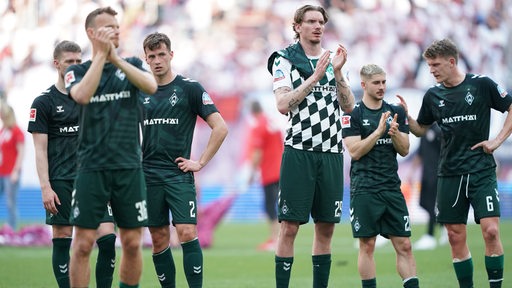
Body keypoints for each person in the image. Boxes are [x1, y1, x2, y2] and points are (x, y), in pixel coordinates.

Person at [398, 38, 511, 288]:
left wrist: (497, 140)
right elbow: (420, 129)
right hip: (449, 173)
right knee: (454, 236)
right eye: (429, 66)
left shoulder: (481, 84)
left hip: (481, 170)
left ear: (451, 62)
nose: (431, 70)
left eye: (435, 65)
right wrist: (407, 118)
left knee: (491, 231)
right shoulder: (433, 95)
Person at [64, 7, 157, 288]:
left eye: (117, 26)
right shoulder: (76, 70)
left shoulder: (131, 64)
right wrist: (102, 56)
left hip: (129, 167)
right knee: (82, 244)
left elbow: (151, 86)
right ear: (91, 33)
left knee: (131, 242)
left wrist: (114, 58)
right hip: (91, 168)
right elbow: (81, 95)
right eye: (108, 27)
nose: (116, 30)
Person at [266, 4, 355, 287]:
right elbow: (282, 104)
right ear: (298, 27)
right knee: (289, 227)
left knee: (326, 228)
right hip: (299, 151)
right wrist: (315, 77)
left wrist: (337, 74)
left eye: (321, 22)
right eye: (311, 22)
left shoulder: (334, 61)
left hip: (331, 153)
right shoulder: (284, 59)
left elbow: (349, 106)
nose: (318, 26)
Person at [140, 32, 228, 288]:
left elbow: (220, 127)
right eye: (152, 56)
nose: (157, 60)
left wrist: (199, 162)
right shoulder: (141, 91)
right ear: (146, 59)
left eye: (161, 55)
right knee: (158, 239)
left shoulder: (189, 88)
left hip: (178, 175)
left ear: (171, 55)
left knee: (188, 233)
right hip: (148, 176)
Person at [28, 40, 117, 288]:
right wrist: (46, 187)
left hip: (93, 180)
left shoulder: (92, 98)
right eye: (70, 61)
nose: (76, 66)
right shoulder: (43, 102)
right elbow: (40, 149)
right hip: (61, 181)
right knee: (63, 236)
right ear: (57, 64)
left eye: (79, 61)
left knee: (108, 239)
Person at [342, 64, 419, 288]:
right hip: (364, 189)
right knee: (367, 245)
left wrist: (394, 134)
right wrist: (377, 132)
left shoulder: (397, 110)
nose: (382, 86)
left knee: (404, 244)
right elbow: (355, 151)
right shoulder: (352, 114)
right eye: (376, 82)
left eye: (384, 82)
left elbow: (404, 149)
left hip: (391, 189)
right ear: (364, 84)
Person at [246, 100, 283, 252]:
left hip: (270, 171)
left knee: (270, 206)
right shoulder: (272, 122)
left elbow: (257, 152)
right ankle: (278, 239)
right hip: (281, 169)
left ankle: (275, 240)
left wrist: (251, 173)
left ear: (252, 112)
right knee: (278, 205)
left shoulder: (259, 125)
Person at [409, 123, 447, 250]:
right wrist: (412, 171)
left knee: (432, 205)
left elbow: (444, 151)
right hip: (425, 174)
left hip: (437, 173)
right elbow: (420, 153)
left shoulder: (438, 130)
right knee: (423, 204)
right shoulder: (423, 132)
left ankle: (430, 236)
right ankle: (443, 227)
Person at [0, 102, 24, 231]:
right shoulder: (3, 131)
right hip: (2, 171)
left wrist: (16, 171)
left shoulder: (16, 131)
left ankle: (12, 229)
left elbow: (21, 152)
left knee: (11, 202)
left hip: (11, 172)